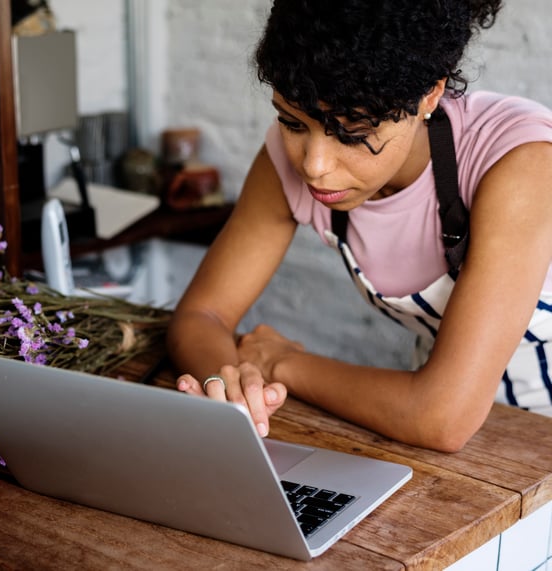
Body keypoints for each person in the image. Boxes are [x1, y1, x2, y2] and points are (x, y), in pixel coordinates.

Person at [166, 0, 552, 452]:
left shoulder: (520, 162)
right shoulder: (292, 165)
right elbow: (201, 315)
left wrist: (285, 364)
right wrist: (230, 382)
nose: (314, 166)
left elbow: (442, 418)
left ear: (429, 94)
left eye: (352, 133)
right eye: (293, 122)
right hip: (462, 432)